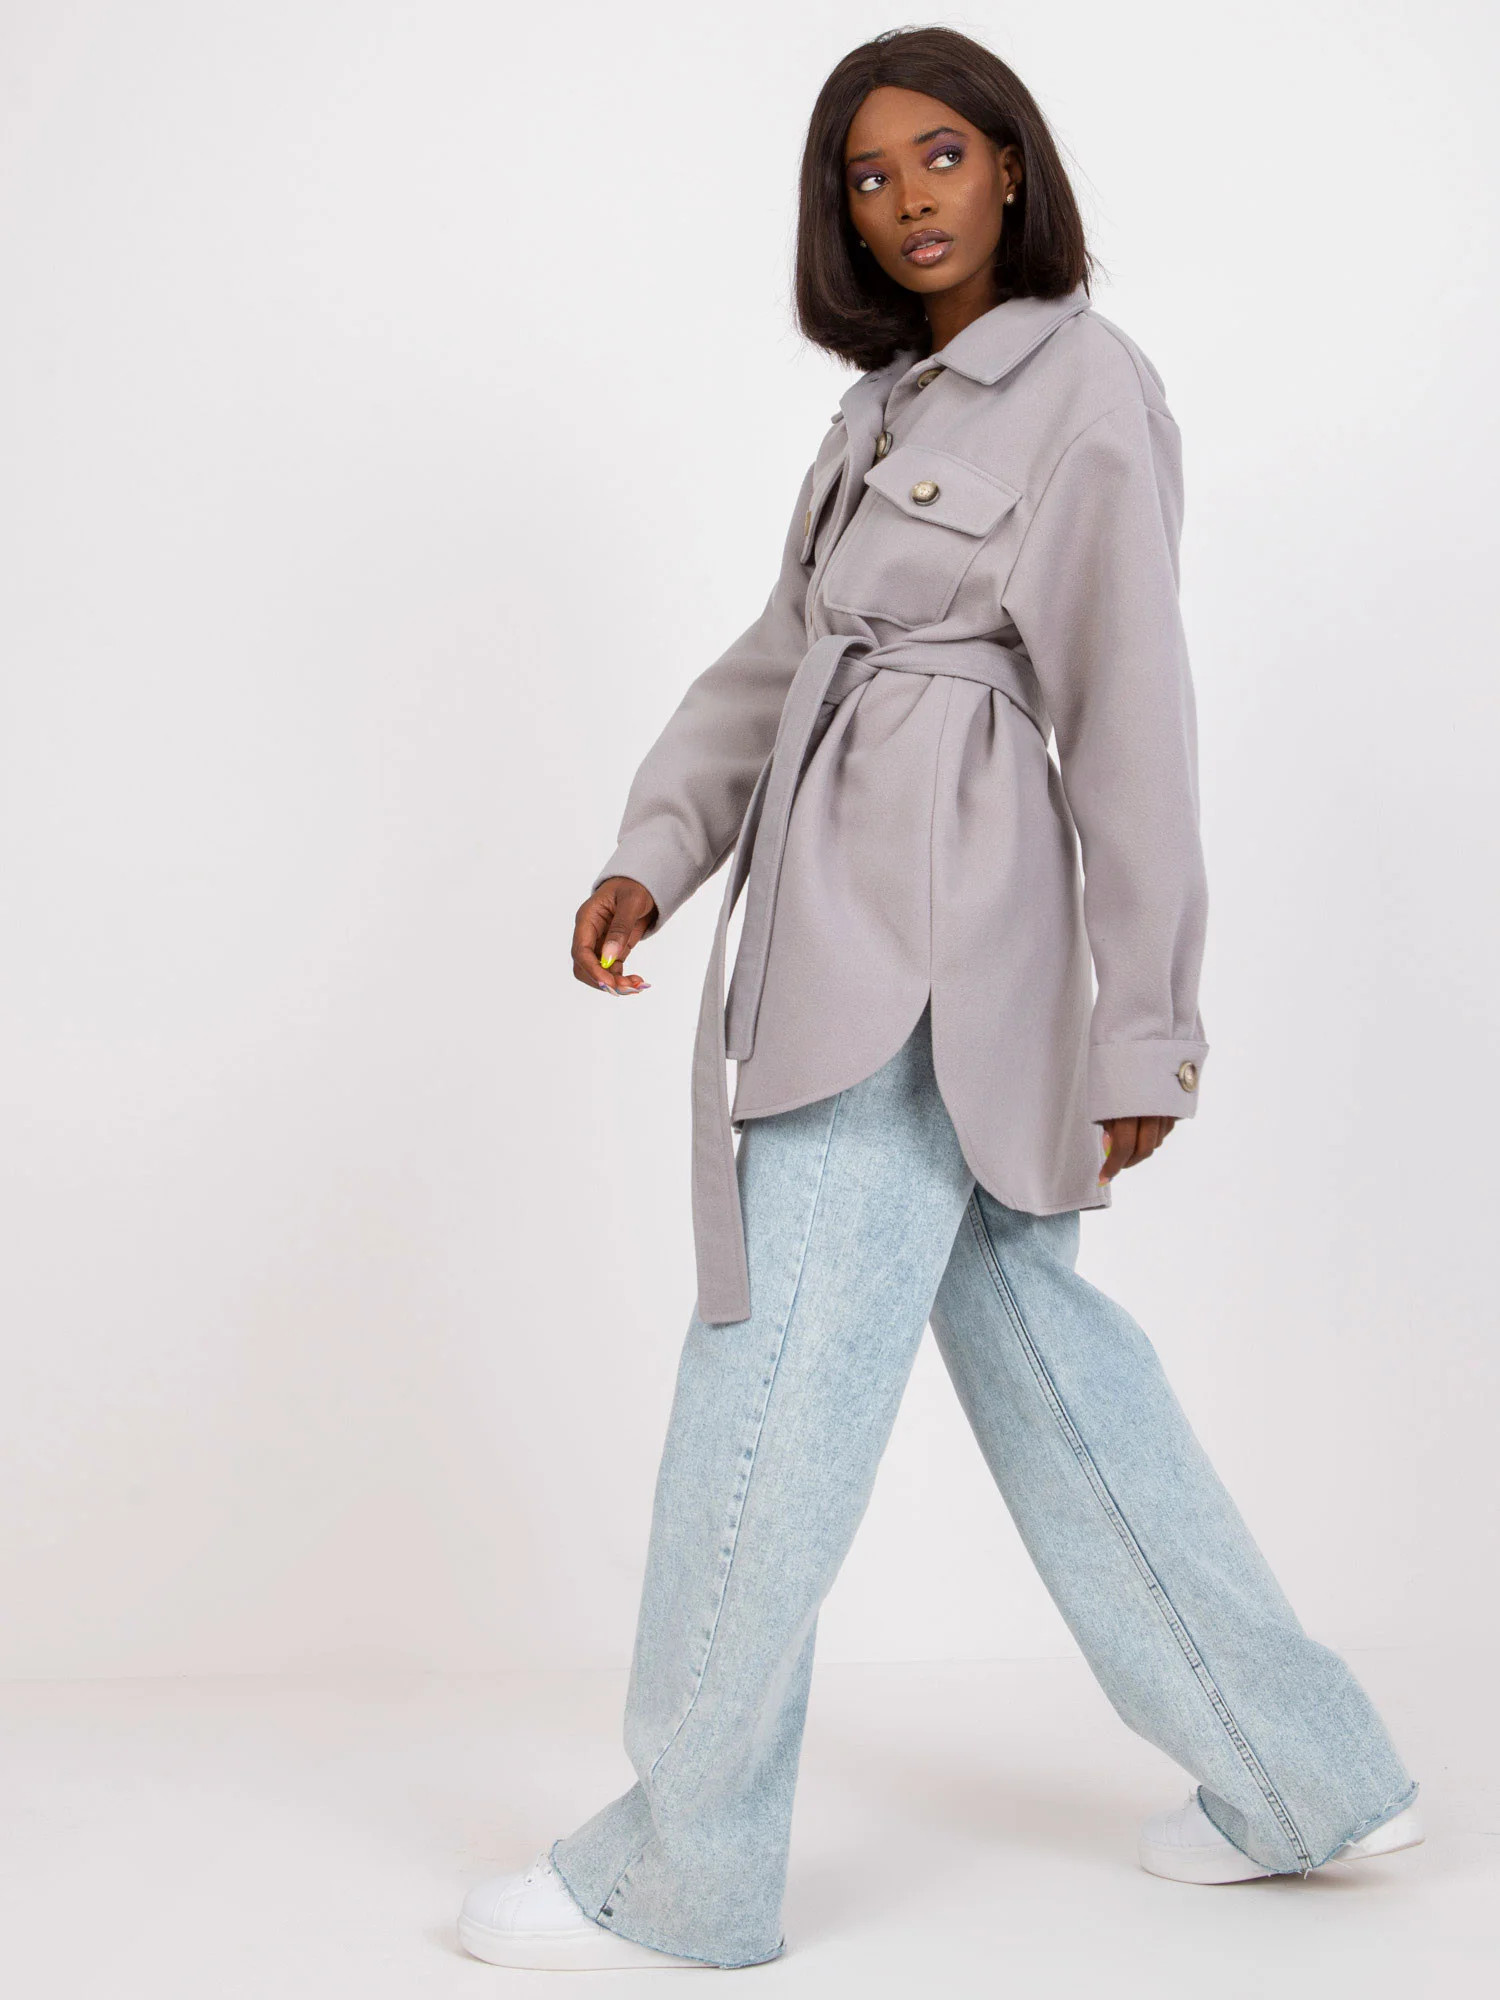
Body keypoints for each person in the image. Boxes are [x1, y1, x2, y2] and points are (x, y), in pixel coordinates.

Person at [457, 25, 1422, 1973]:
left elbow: (1132, 715)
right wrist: (659, 845)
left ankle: (678, 1874)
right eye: (867, 173)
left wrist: (1148, 1022)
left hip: (919, 958)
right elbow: (779, 658)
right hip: (852, 927)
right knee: (1057, 1378)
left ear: (1012, 168)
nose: (906, 198)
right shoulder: (884, 413)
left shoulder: (1083, 386)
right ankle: (1302, 1771)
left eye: (942, 156)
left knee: (764, 1394)